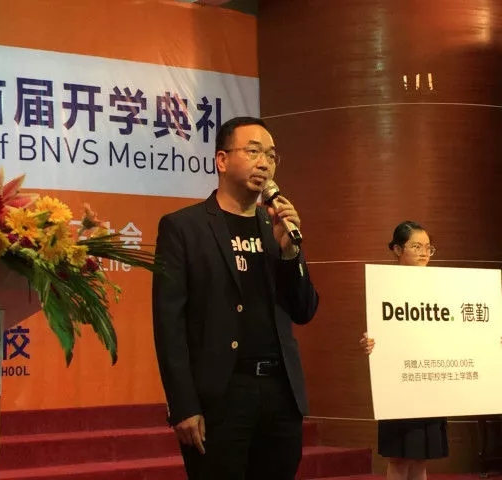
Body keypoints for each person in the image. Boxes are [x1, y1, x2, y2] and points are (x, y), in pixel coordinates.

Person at [152, 116, 319, 480]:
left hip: (280, 394)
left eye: (271, 155)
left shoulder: (276, 227)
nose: (264, 163)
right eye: (254, 151)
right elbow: (169, 325)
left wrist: (290, 253)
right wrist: (183, 405)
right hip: (220, 397)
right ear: (222, 160)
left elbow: (304, 310)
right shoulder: (183, 227)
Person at [360, 221, 448, 480]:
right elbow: (380, 331)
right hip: (399, 382)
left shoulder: (443, 287)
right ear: (397, 250)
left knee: (420, 459)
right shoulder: (384, 286)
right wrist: (370, 341)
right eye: (416, 246)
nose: (424, 253)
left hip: (431, 379)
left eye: (428, 247)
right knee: (399, 458)